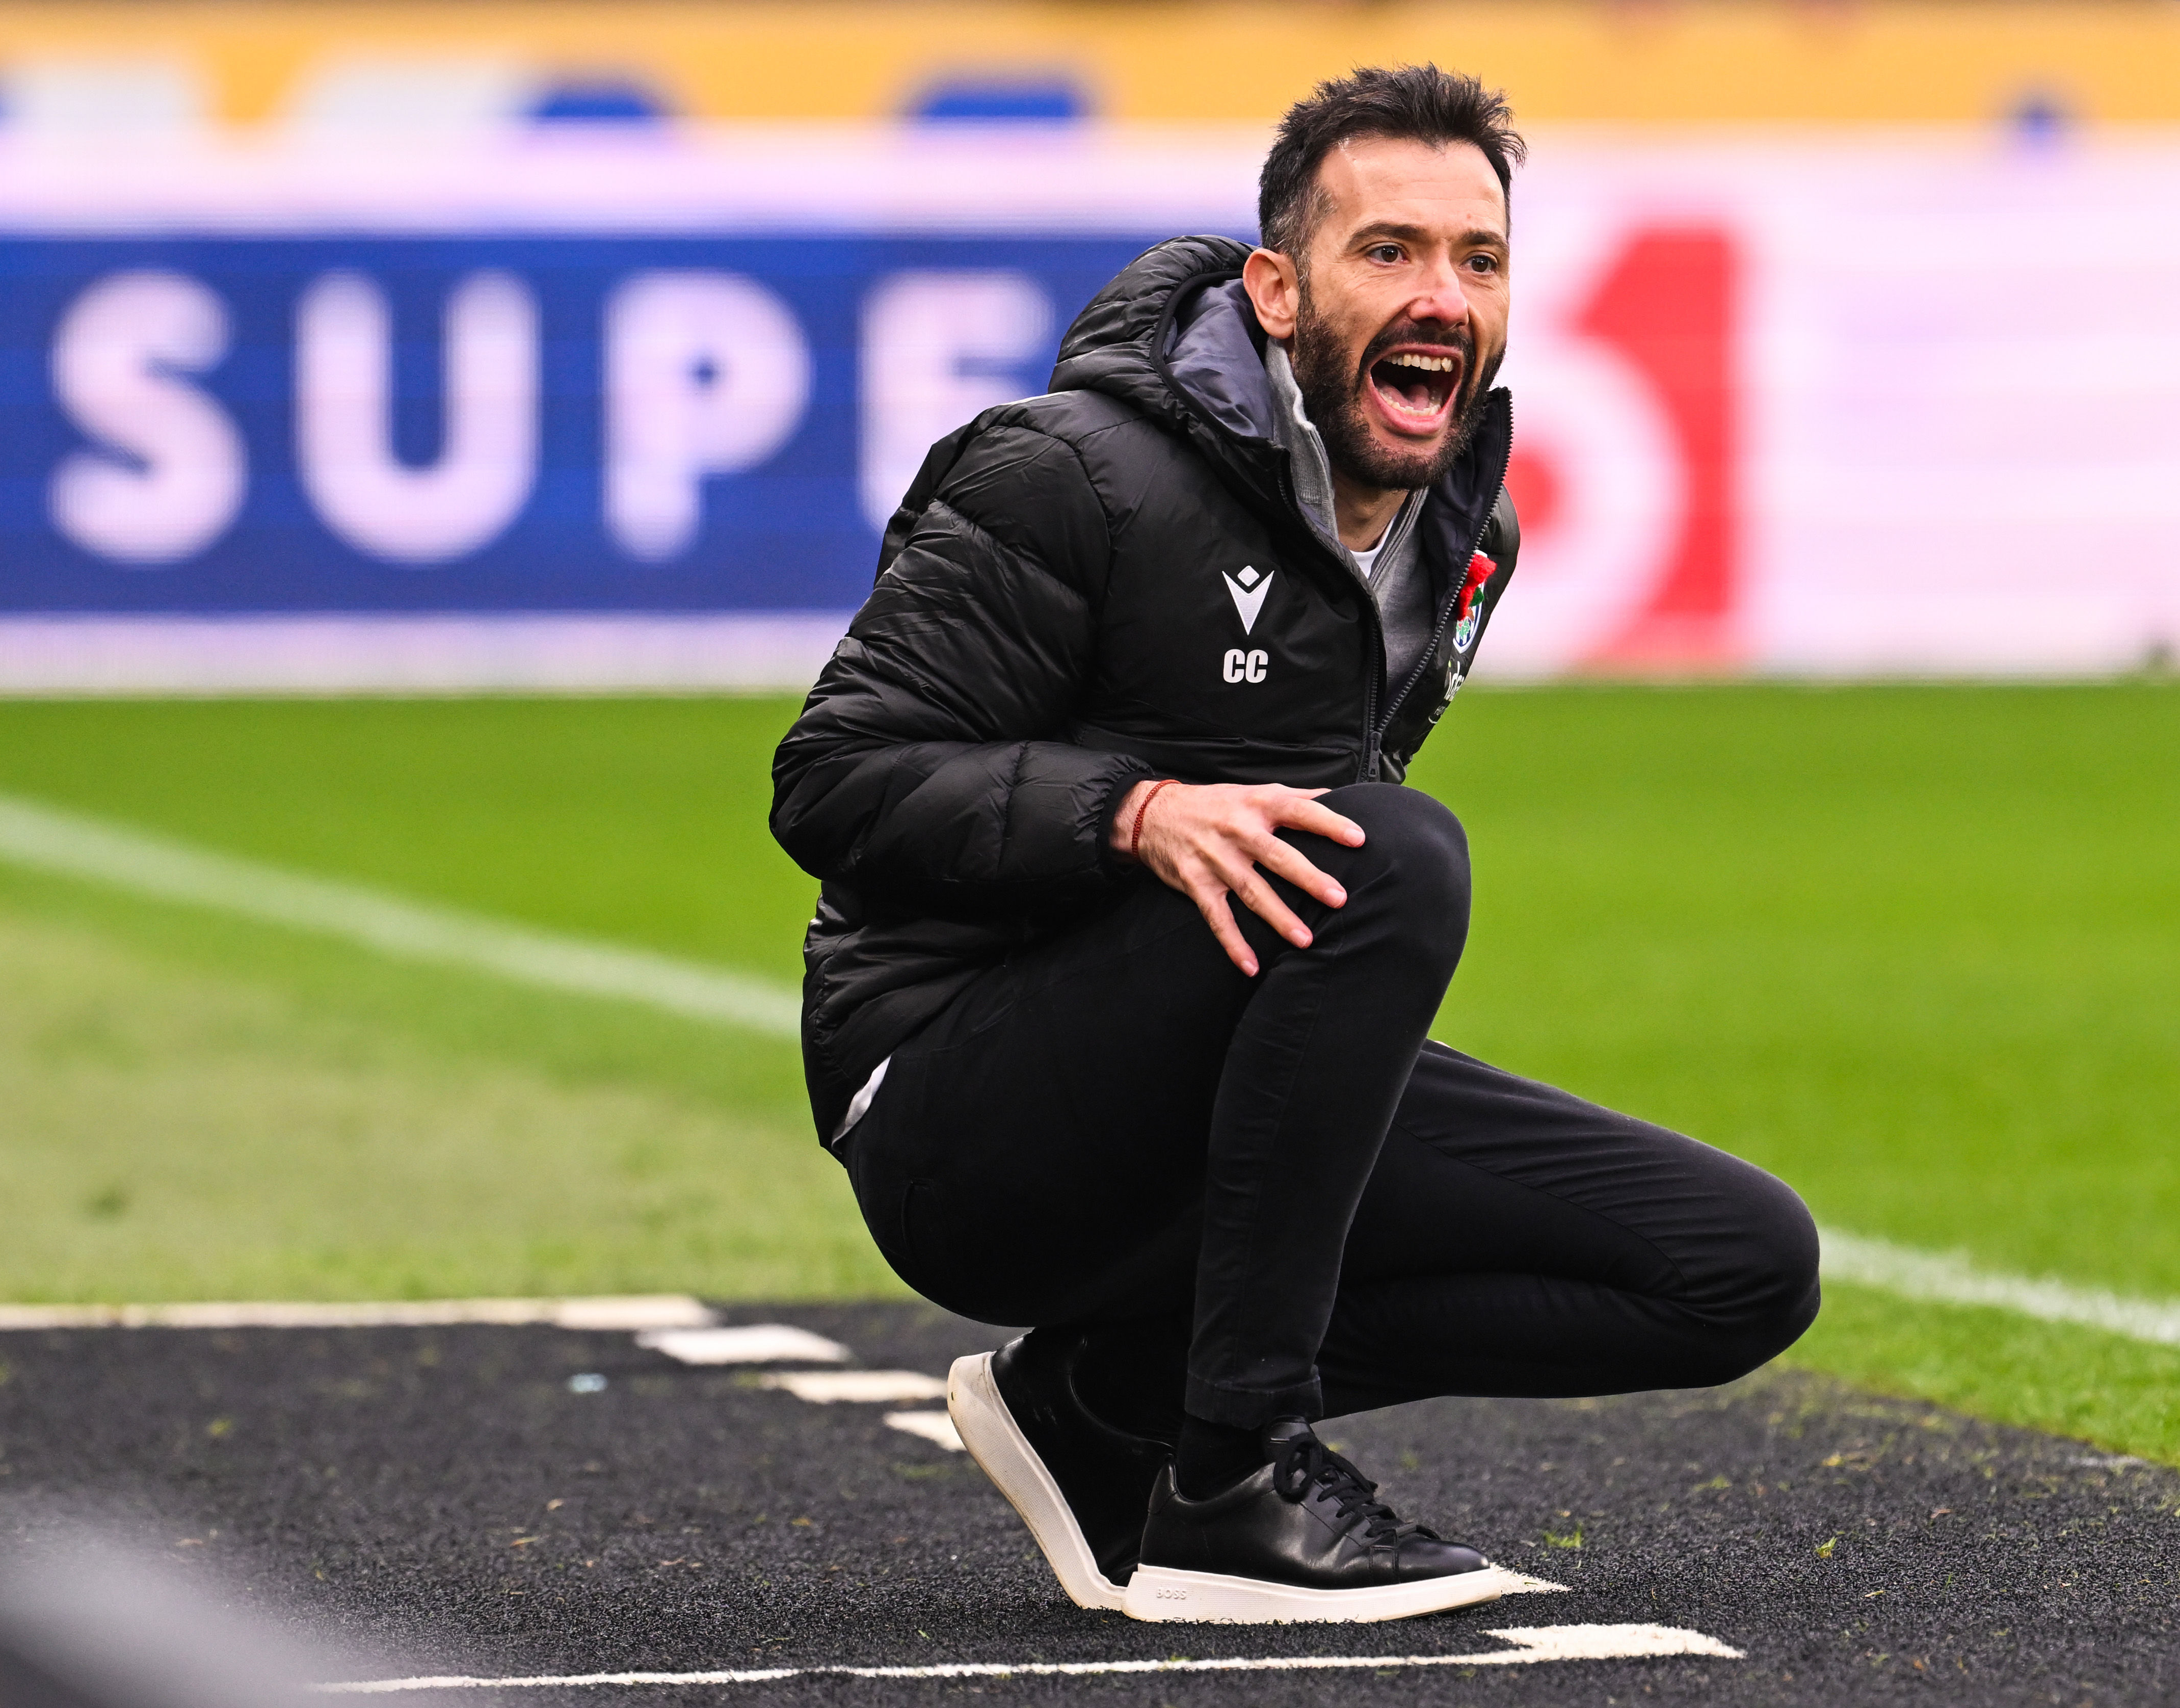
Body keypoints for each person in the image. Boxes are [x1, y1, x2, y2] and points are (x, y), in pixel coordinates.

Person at [768, 65, 1821, 1626]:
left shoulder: (1466, 529)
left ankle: (1110, 1400)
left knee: (1732, 1263)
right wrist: (1131, 812)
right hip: (948, 1110)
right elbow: (834, 775)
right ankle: (1231, 1479)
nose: (1442, 294)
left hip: (1182, 1082)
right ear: (1275, 289)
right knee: (1396, 855)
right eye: (1387, 251)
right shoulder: (1071, 473)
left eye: (1479, 259)